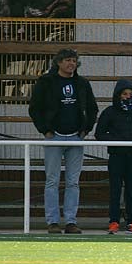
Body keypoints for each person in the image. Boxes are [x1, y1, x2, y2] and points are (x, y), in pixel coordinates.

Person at [28, 48, 99, 234]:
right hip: (54, 136)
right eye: (67, 60)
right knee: (52, 180)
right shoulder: (46, 82)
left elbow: (92, 108)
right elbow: (35, 108)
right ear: (58, 62)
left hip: (76, 136)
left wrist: (86, 129)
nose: (71, 64)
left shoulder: (82, 83)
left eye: (74, 61)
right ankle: (52, 221)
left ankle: (70, 221)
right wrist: (45, 130)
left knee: (73, 182)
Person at [94, 79, 132, 234]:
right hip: (117, 156)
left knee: (131, 190)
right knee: (115, 189)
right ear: (118, 95)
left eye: (131, 94)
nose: (128, 96)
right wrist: (116, 142)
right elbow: (99, 133)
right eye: (125, 94)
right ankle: (114, 221)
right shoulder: (110, 112)